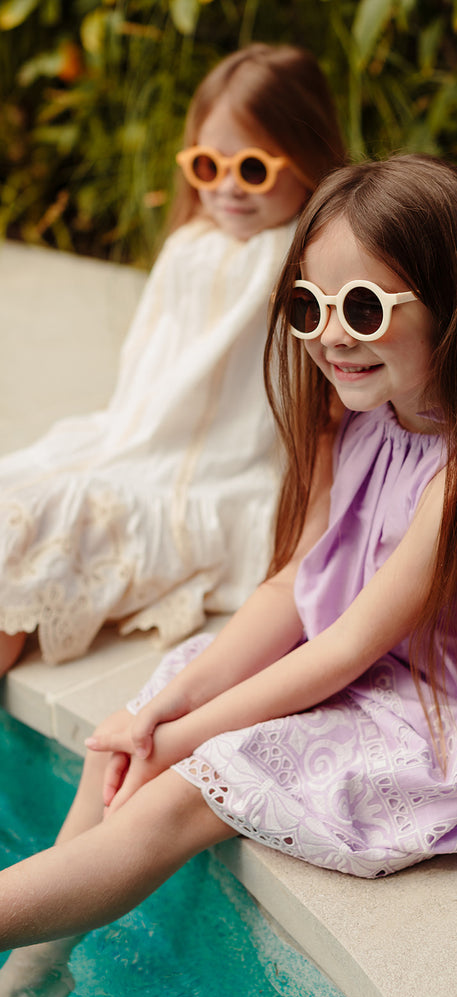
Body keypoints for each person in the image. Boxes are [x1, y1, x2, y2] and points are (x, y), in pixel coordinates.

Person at [0, 155, 457, 997]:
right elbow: (297, 587)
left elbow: (350, 647)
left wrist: (188, 737)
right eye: (307, 306)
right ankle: (40, 959)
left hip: (442, 700)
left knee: (180, 791)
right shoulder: (348, 419)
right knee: (129, 738)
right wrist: (162, 713)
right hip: (360, 653)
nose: (329, 336)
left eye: (362, 307)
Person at [0, 42, 345, 674]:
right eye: (208, 167)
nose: (229, 188)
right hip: (132, 443)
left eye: (254, 169)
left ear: (308, 158)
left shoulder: (303, 260)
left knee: (41, 533)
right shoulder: (191, 245)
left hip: (223, 474)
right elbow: (146, 381)